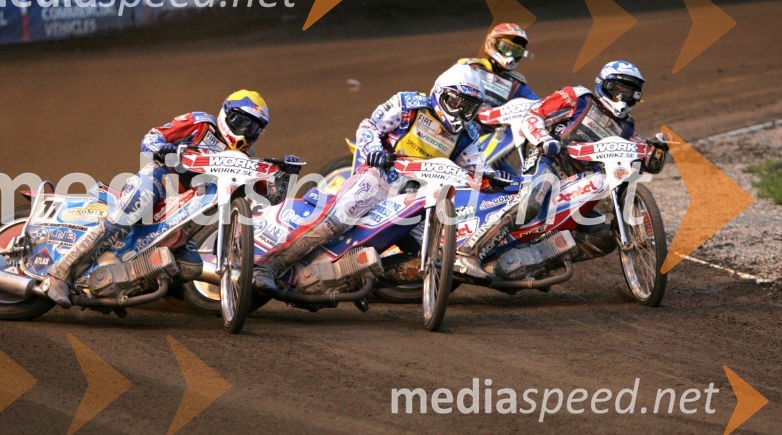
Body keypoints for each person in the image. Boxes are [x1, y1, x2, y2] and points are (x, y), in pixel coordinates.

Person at [253, 63, 515, 292]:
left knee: (438, 254)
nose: (460, 112)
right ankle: (266, 266)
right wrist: (374, 151)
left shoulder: (467, 134)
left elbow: (475, 167)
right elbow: (369, 126)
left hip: (420, 199)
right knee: (338, 219)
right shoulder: (407, 105)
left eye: (468, 107)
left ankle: (364, 278)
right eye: (456, 102)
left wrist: (491, 180)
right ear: (439, 92)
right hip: (379, 180)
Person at [41, 90, 296, 307]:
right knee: (124, 217)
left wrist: (287, 177)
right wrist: (164, 148)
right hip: (160, 182)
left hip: (182, 216)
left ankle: (120, 287)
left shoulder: (247, 156)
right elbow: (152, 137)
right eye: (243, 122)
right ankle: (60, 275)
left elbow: (268, 199)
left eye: (255, 128)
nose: (247, 132)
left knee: (190, 268)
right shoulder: (201, 123)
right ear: (227, 114)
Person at [453, 60, 670, 280]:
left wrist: (656, 150)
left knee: (603, 237)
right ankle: (469, 251)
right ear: (602, 85)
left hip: (580, 181)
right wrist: (544, 139)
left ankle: (533, 263)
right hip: (549, 161)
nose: (621, 97)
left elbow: (643, 158)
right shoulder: (578, 97)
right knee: (530, 203)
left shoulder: (627, 127)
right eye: (617, 89)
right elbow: (534, 114)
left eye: (629, 92)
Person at [458, 22, 538, 107]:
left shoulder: (515, 83)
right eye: (506, 48)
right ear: (492, 42)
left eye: (516, 51)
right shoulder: (470, 66)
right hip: (463, 115)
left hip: (493, 120)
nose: (510, 54)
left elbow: (538, 105)